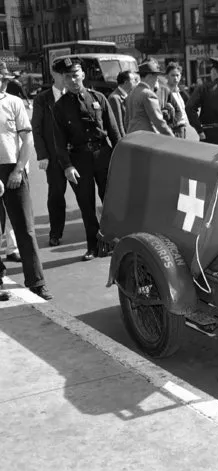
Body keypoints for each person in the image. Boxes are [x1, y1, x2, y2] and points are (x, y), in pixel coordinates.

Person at [52, 57, 121, 261]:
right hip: (79, 159)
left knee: (110, 200)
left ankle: (112, 241)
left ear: (82, 75)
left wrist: (120, 157)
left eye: (75, 75)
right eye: (68, 77)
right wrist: (67, 166)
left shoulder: (98, 97)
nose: (73, 80)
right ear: (63, 80)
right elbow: (59, 140)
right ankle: (93, 246)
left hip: (103, 155)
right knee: (86, 204)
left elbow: (114, 131)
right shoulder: (60, 107)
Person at [0, 62, 52, 300]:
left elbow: (26, 140)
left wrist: (18, 170)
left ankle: (36, 281)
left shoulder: (14, 103)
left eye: (4, 78)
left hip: (14, 169)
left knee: (25, 229)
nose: (2, 82)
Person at [32, 64, 68, 247]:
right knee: (56, 195)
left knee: (85, 196)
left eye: (68, 74)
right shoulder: (42, 99)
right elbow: (36, 129)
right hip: (54, 157)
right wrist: (42, 155)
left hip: (76, 155)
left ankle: (93, 234)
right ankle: (55, 232)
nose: (65, 77)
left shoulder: (75, 95)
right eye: (62, 74)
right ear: (54, 74)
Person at [126, 58, 174, 136]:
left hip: (132, 137)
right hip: (147, 138)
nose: (156, 80)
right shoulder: (148, 94)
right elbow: (158, 121)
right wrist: (172, 137)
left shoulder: (131, 93)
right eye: (155, 76)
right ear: (149, 76)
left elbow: (126, 120)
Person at [108, 70, 138, 138]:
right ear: (126, 82)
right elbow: (119, 124)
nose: (135, 82)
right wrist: (124, 140)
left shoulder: (127, 95)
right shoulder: (115, 98)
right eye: (133, 80)